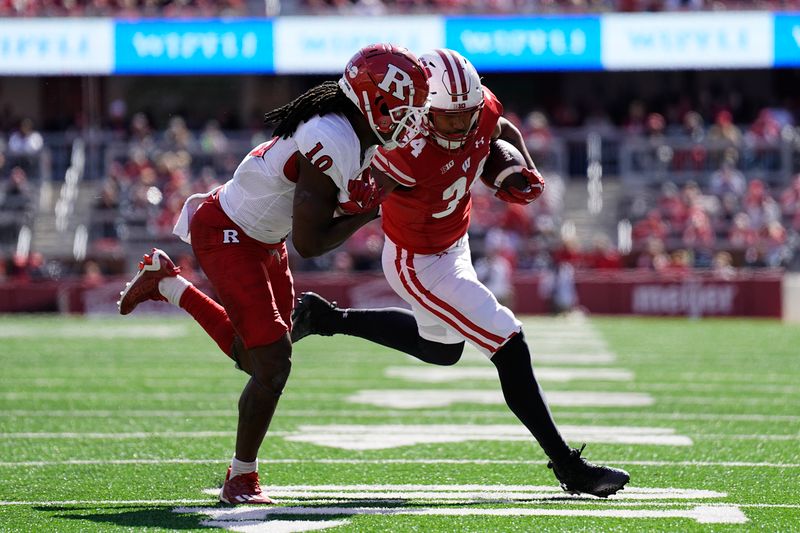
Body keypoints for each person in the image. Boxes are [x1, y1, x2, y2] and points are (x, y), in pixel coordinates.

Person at [291, 48, 630, 497]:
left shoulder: (478, 108)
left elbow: (498, 130)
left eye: (465, 115)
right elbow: (358, 199)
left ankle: (326, 319)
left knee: (442, 350)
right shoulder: (401, 151)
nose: (460, 126)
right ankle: (569, 466)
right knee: (508, 339)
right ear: (423, 113)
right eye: (448, 118)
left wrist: (516, 167)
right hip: (418, 260)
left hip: (456, 242)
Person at [116, 43, 430, 505]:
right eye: (405, 106)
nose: (412, 118)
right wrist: (371, 210)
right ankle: (241, 478)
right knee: (273, 364)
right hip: (229, 233)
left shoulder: (351, 131)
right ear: (375, 101)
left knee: (255, 359)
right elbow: (311, 243)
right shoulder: (334, 137)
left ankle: (167, 283)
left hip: (262, 237)